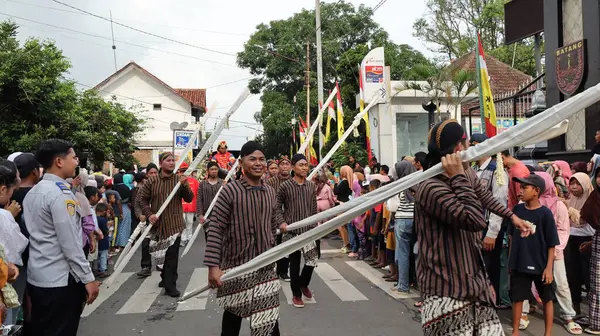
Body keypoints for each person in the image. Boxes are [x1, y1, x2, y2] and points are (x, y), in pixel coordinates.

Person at [414, 120, 530, 335]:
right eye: (466, 144)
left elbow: (483, 195)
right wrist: (458, 176)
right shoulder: (431, 186)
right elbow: (475, 219)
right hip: (445, 288)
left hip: (473, 283)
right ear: (458, 148)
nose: (470, 150)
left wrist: (511, 216)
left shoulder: (466, 174)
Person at [205, 141, 281, 336]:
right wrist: (213, 267)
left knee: (269, 322)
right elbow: (215, 229)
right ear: (241, 164)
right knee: (233, 320)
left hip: (265, 267)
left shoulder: (270, 192)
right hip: (236, 266)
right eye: (252, 159)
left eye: (262, 159)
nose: (258, 163)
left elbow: (273, 222)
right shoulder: (229, 191)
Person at [23, 139, 99, 336]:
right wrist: (88, 278)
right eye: (73, 157)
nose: (77, 162)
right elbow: (70, 243)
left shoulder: (34, 192)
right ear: (59, 161)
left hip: (38, 276)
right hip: (60, 281)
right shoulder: (60, 194)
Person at [509, 174, 560, 336]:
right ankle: (516, 331)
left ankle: (548, 333)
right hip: (520, 262)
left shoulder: (545, 214)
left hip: (541, 264)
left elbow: (552, 243)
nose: (521, 190)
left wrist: (549, 268)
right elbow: (511, 237)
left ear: (536, 191)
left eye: (525, 187)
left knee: (547, 299)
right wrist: (511, 262)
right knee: (517, 298)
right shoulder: (516, 210)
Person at [137, 152, 194, 297]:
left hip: (175, 225)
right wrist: (149, 215)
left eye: (172, 160)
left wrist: (185, 184)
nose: (171, 163)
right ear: (161, 163)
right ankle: (165, 277)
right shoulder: (152, 181)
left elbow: (189, 198)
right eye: (168, 160)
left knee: (172, 256)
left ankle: (170, 285)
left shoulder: (178, 180)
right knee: (159, 255)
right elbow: (142, 200)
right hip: (158, 225)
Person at [535, 172, 581, 334]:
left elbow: (563, 230)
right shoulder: (526, 203)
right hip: (532, 252)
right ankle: (524, 313)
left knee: (561, 284)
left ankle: (568, 316)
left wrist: (556, 249)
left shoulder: (559, 205)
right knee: (526, 283)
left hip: (554, 252)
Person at [470, 134, 510, 308]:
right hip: (472, 226)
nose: (472, 148)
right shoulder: (472, 169)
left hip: (488, 227)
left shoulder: (496, 170)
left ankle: (488, 304)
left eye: (475, 145)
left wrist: (492, 233)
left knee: (488, 267)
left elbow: (499, 202)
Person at [276, 154, 318, 308]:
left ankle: (303, 283)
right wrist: (282, 222)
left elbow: (314, 208)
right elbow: (276, 207)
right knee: (294, 265)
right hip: (291, 232)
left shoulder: (311, 186)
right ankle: (296, 295)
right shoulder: (285, 186)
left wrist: (315, 224)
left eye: (306, 165)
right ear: (293, 167)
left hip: (308, 231)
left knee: (312, 260)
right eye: (301, 165)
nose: (305, 168)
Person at [565, 172, 595, 318]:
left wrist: (568, 209)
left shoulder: (592, 199)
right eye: (572, 184)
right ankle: (575, 307)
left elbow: (582, 220)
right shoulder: (570, 199)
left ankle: (592, 312)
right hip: (571, 239)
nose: (574, 187)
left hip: (588, 240)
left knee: (589, 275)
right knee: (573, 274)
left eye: (578, 184)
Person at [389, 160, 416, 294]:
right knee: (417, 254)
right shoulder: (418, 181)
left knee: (403, 254)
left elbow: (392, 206)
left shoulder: (399, 184)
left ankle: (403, 285)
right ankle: (415, 282)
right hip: (416, 220)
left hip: (402, 220)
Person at [266, 156, 292, 281]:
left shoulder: (294, 181)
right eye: (282, 164)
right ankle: (272, 269)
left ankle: (283, 271)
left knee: (287, 246)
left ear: (291, 167)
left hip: (290, 219)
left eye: (288, 164)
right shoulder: (270, 182)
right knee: (274, 245)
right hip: (273, 218)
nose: (285, 166)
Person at [581, 165, 600, 334]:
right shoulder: (596, 195)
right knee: (596, 284)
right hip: (598, 240)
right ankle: (595, 319)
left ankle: (597, 323)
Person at [136, 163, 158, 278]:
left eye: (155, 172)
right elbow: (137, 204)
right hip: (146, 221)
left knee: (161, 243)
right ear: (147, 175)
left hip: (160, 220)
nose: (153, 175)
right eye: (151, 173)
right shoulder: (142, 189)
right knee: (145, 244)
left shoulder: (162, 185)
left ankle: (161, 265)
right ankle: (146, 267)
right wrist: (140, 214)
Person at [196, 161, 223, 228]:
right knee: (209, 236)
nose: (214, 171)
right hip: (207, 216)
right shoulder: (202, 184)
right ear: (208, 171)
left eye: (216, 169)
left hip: (221, 215)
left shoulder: (222, 183)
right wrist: (200, 214)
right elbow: (199, 199)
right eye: (212, 169)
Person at [178, 162, 199, 247]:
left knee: (189, 222)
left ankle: (189, 238)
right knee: (182, 223)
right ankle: (183, 239)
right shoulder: (178, 181)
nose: (184, 172)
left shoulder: (195, 181)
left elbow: (198, 193)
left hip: (191, 206)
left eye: (185, 170)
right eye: (182, 171)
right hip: (180, 206)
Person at [94, 203, 111, 278]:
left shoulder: (94, 218)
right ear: (104, 212)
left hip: (96, 240)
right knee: (103, 256)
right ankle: (103, 270)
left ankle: (96, 269)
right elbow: (105, 230)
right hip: (103, 240)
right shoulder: (103, 220)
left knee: (97, 256)